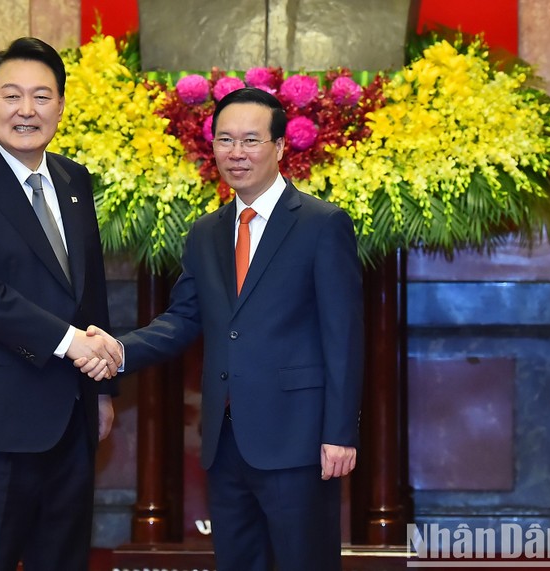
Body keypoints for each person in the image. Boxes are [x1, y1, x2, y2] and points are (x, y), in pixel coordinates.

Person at [79, 87, 364, 570]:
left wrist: (340, 432)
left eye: (251, 140)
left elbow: (345, 336)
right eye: (225, 140)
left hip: (298, 440)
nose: (236, 152)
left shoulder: (322, 224)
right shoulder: (206, 232)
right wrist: (119, 351)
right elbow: (183, 318)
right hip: (225, 441)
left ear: (279, 147)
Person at [0, 37, 122, 571]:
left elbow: (89, 290)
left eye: (41, 96)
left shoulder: (73, 180)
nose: (26, 110)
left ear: (60, 105)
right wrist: (71, 343)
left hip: (70, 418)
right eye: (11, 96)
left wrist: (100, 390)